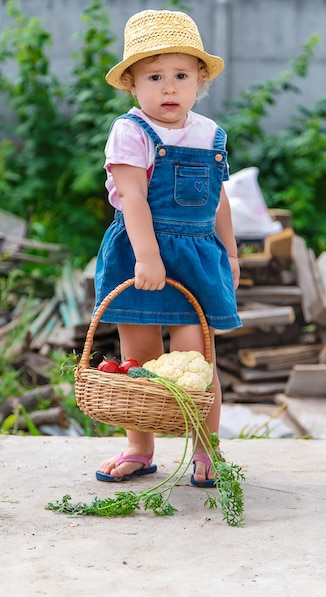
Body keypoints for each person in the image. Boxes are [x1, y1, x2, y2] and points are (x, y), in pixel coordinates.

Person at [93, 9, 242, 487]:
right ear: (132, 86)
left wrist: (231, 254)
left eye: (181, 75)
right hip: (141, 254)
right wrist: (147, 257)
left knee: (197, 361)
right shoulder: (131, 131)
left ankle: (205, 448)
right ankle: (140, 446)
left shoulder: (210, 134)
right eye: (155, 77)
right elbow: (132, 197)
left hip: (197, 257)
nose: (170, 88)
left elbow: (219, 199)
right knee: (139, 357)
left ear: (200, 80)